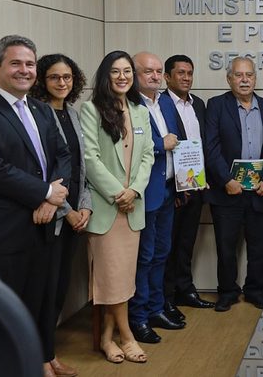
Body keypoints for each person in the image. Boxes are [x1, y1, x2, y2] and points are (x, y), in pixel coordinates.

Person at [0, 35, 71, 377]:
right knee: (3, 321)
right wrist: (44, 193)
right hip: (0, 236)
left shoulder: (40, 109)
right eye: (16, 63)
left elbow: (61, 155)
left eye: (30, 64)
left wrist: (53, 198)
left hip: (41, 228)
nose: (25, 70)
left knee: (38, 306)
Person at [81, 51, 154, 364]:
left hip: (132, 208)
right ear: (105, 76)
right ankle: (126, 336)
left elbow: (149, 155)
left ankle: (107, 337)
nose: (123, 76)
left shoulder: (140, 110)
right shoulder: (91, 109)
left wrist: (135, 190)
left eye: (127, 71)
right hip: (107, 208)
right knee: (111, 276)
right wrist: (118, 192)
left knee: (123, 277)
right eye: (115, 71)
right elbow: (90, 158)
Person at [29, 53, 92, 377]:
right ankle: (40, 359)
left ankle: (49, 354)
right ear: (42, 80)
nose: (63, 83)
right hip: (51, 217)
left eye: (67, 77)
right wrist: (67, 212)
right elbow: (47, 173)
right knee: (44, 290)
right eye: (55, 77)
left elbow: (81, 166)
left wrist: (85, 207)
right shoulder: (37, 114)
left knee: (59, 288)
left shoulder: (72, 112)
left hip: (73, 215)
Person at [205, 57, 263, 312]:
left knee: (260, 246)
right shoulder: (215, 106)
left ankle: (255, 290)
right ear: (229, 79)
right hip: (227, 191)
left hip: (261, 191)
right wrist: (226, 179)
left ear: (255, 78)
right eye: (238, 75)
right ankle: (227, 292)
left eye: (249, 75)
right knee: (226, 246)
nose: (244, 79)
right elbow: (210, 148)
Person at [128, 52, 185, 343]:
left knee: (162, 253)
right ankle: (138, 317)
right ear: (134, 73)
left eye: (158, 71)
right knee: (145, 257)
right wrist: (160, 145)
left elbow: (178, 139)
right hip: (144, 192)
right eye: (147, 71)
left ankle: (156, 307)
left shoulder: (164, 101)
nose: (154, 76)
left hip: (166, 189)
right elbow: (131, 145)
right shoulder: (127, 104)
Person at [162, 54, 215, 319]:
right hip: (172, 188)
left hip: (196, 185)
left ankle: (185, 289)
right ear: (167, 77)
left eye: (189, 73)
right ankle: (166, 297)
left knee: (186, 241)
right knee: (167, 245)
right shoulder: (160, 104)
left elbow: (201, 144)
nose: (185, 78)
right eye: (180, 73)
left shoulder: (199, 105)